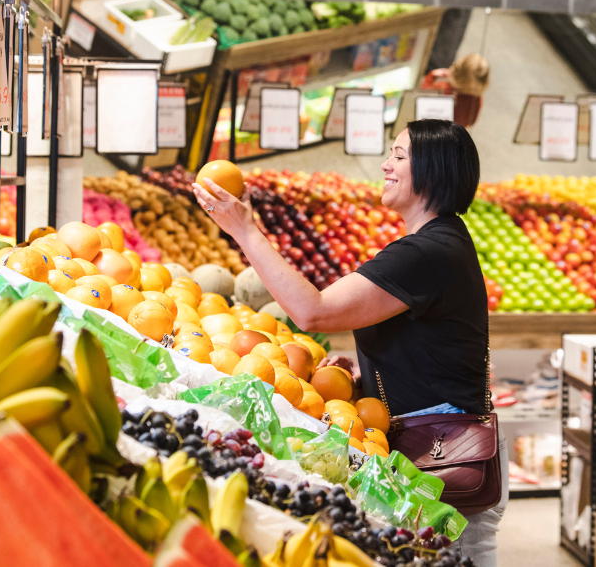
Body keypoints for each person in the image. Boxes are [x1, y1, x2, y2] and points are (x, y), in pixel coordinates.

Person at [192, 119, 507, 567]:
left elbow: (313, 311)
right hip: (434, 448)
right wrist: (370, 372)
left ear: (433, 172)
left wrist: (245, 231)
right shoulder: (438, 242)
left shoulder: (426, 252)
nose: (386, 164)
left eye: (399, 156)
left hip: (447, 459)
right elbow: (433, 343)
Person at [419, 54, 490, 128]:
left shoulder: (437, 78)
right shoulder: (475, 98)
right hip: (452, 133)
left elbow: (420, 96)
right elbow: (471, 121)